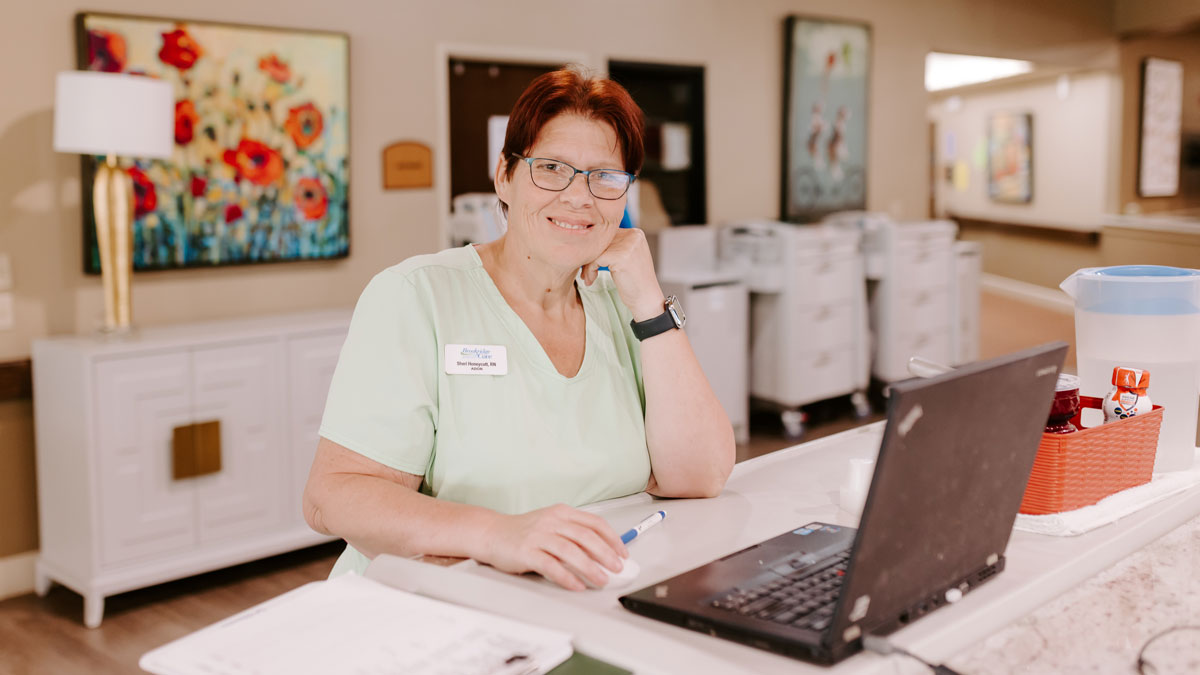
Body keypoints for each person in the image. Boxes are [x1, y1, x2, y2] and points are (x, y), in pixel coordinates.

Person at [302, 68, 735, 591]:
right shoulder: (417, 296)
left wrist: (648, 299)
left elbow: (699, 475)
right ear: (504, 174)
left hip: (578, 601)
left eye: (605, 176)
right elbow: (334, 496)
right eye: (551, 168)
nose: (579, 197)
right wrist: (498, 534)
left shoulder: (624, 306)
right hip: (429, 613)